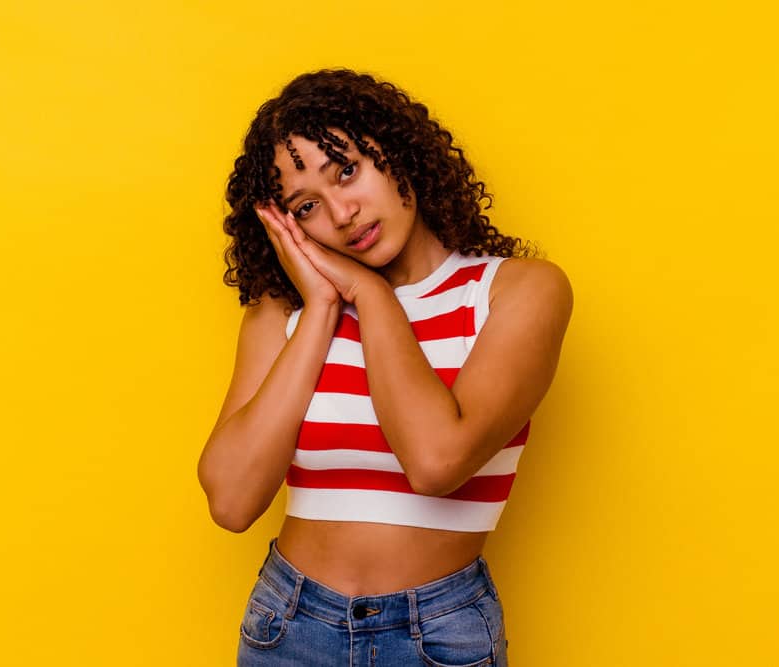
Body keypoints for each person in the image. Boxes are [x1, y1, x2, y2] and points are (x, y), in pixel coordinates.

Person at [198, 68, 573, 666]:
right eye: (307, 205)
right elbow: (233, 502)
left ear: (396, 152)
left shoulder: (514, 291)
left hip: (440, 636)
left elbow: (435, 461)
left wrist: (370, 297)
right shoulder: (284, 316)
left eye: (347, 169)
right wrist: (322, 306)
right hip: (288, 626)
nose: (343, 212)